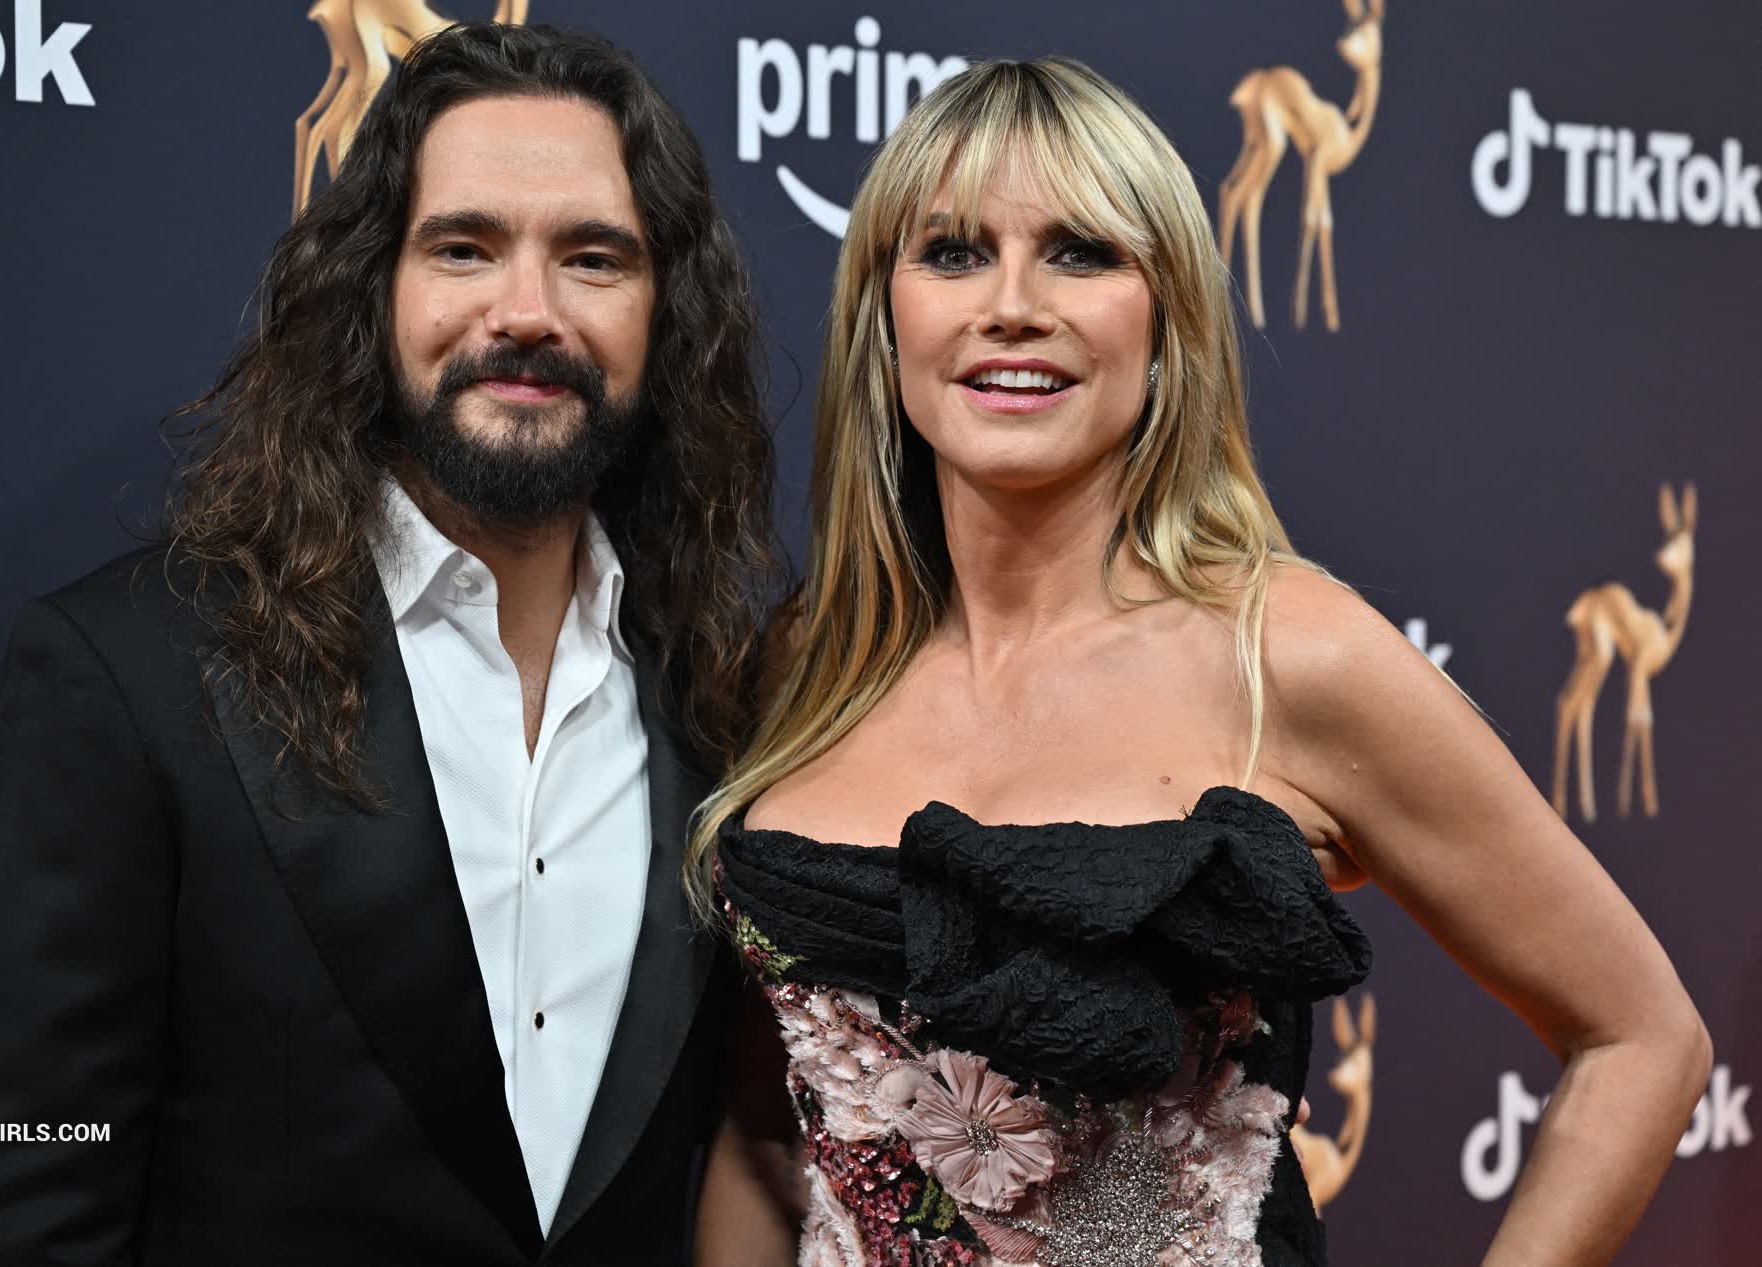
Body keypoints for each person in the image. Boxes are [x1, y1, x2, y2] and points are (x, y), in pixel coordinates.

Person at [690, 57, 1709, 1267]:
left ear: (1166, 319)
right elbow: (764, 1136)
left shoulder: (1291, 655)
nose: (1010, 304)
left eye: (1080, 253)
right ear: (884, 315)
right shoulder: (812, 660)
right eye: (952, 253)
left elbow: (1641, 1039)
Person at [0, 23, 777, 1267]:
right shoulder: (128, 673)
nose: (526, 312)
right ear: (373, 289)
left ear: (667, 313)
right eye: (463, 248)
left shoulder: (720, 706)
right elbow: (9, 1209)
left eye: (592, 259)